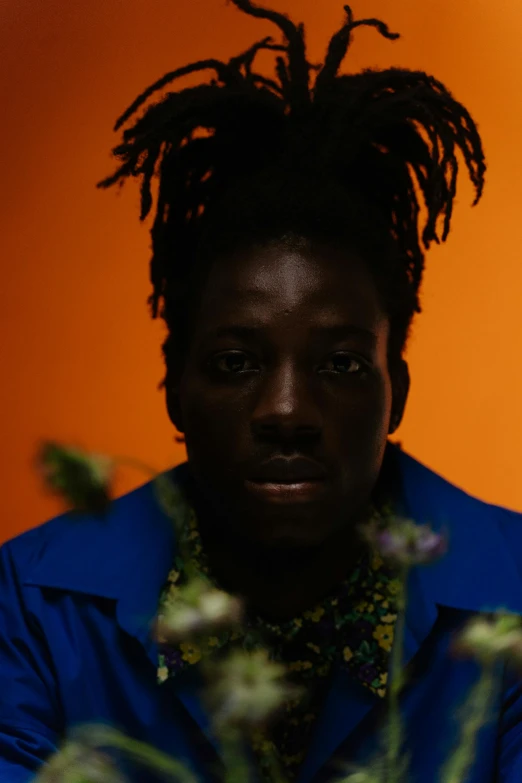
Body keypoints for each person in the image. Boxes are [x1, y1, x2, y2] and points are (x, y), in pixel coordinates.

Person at [1, 1, 522, 781]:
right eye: (237, 362)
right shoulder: (36, 607)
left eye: (341, 364)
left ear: (398, 391)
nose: (286, 411)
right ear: (175, 387)